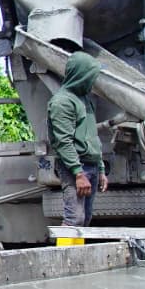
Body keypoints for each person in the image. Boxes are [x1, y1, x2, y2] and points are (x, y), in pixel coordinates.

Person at [48, 51, 108, 228]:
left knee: (85, 219)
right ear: (81, 76)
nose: (93, 81)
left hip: (92, 165)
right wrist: (78, 173)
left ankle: (79, 256)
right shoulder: (62, 102)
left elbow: (92, 136)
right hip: (76, 167)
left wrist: (101, 169)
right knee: (74, 219)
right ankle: (63, 256)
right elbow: (63, 141)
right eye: (91, 76)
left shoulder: (84, 99)